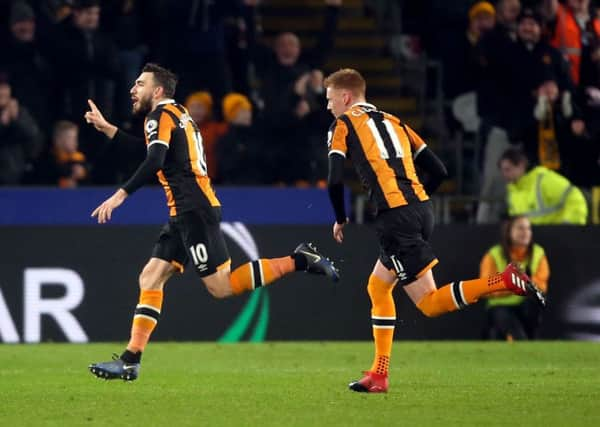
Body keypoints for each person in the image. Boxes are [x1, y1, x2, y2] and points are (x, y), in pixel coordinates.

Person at [83, 63, 340, 381]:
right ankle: (130, 360)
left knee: (221, 287)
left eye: (140, 83)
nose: (133, 89)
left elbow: (153, 160)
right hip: (184, 213)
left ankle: (300, 259)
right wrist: (108, 128)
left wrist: (120, 195)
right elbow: (150, 152)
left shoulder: (159, 117)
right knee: (150, 278)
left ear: (158, 90)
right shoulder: (177, 115)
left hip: (194, 211)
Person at [323, 68, 545, 393]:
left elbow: (334, 178)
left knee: (429, 303)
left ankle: (504, 280)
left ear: (345, 97)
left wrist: (340, 217)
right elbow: (439, 170)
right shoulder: (396, 122)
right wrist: (416, 202)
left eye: (330, 100)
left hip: (395, 218)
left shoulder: (342, 124)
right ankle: (378, 374)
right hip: (422, 210)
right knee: (378, 286)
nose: (329, 107)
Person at [480, 215, 550, 340]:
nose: (525, 232)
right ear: (509, 232)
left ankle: (531, 337)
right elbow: (485, 287)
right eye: (520, 228)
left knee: (536, 302)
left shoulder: (538, 252)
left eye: (528, 228)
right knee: (518, 337)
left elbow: (542, 285)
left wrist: (514, 285)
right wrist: (516, 286)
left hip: (528, 305)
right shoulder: (494, 254)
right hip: (500, 306)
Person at [498, 147, 588, 224]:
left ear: (521, 165)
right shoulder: (513, 193)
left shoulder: (544, 180)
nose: (504, 174)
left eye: (508, 169)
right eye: (502, 171)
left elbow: (575, 199)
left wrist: (568, 227)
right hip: (533, 240)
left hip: (558, 238)